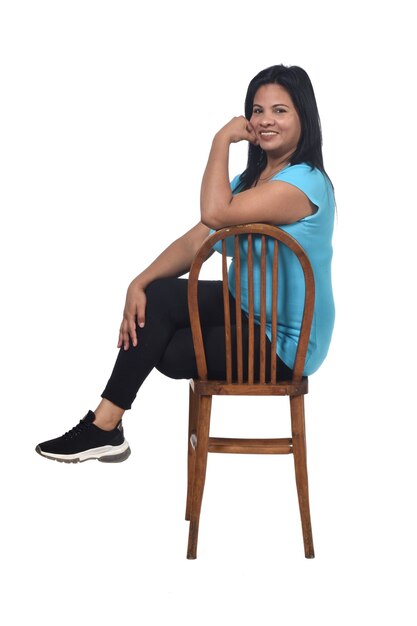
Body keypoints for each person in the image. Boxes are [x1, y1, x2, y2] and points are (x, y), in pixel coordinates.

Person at [36, 64, 335, 463]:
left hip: (283, 343)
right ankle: (105, 425)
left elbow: (214, 213)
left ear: (303, 117)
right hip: (243, 308)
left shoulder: (305, 183)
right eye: (257, 110)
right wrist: (137, 283)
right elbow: (199, 240)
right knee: (156, 297)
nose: (265, 121)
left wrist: (219, 141)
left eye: (280, 111)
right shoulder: (254, 179)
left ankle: (105, 426)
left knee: (171, 351)